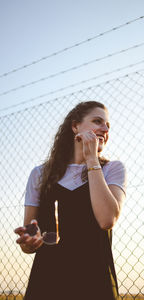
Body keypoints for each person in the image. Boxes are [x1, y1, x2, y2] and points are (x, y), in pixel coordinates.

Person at [14, 101, 126, 300]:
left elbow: (107, 219)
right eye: (97, 121)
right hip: (47, 282)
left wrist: (91, 160)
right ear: (75, 126)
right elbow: (28, 240)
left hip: (95, 281)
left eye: (108, 126)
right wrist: (30, 241)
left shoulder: (112, 169)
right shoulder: (41, 174)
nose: (105, 129)